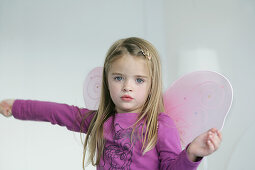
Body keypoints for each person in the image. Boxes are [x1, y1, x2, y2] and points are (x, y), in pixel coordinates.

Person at [0, 37, 222, 170]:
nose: (127, 86)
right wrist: (17, 106)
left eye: (139, 80)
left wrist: (193, 153)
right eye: (118, 78)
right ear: (107, 81)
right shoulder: (100, 121)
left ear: (151, 85)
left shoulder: (160, 125)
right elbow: (56, 113)